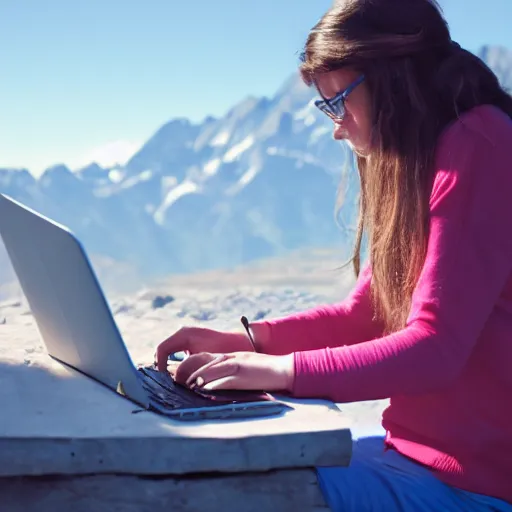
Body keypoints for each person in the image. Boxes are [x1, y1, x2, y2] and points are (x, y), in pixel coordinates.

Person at [155, 0, 512, 510]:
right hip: (408, 457)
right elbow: (367, 314)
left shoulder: (481, 142)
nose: (337, 126)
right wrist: (248, 342)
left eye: (338, 101)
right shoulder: (417, 156)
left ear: (393, 80)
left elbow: (436, 347)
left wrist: (283, 372)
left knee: (216, 491)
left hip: (474, 487)